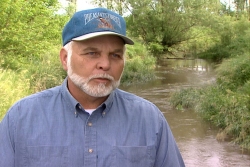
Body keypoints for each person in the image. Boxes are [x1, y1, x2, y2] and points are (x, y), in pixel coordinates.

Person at [0, 7, 185, 167]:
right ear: (65, 59)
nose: (105, 64)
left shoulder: (150, 120)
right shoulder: (21, 118)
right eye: (91, 53)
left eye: (115, 55)